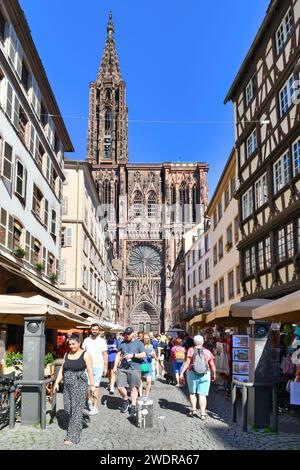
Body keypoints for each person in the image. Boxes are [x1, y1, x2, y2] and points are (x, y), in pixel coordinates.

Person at [54, 334, 96, 445]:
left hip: (79, 384)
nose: (71, 346)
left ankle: (72, 437)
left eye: (74, 344)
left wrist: (92, 386)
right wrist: (57, 382)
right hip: (67, 386)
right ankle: (78, 422)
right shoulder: (67, 354)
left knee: (76, 411)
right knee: (69, 409)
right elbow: (62, 370)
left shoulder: (85, 355)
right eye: (70, 344)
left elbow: (90, 371)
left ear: (79, 343)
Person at [180, 335, 216, 420]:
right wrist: (214, 374)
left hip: (192, 373)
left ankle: (193, 410)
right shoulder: (207, 351)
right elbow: (212, 365)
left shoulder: (191, 350)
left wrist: (182, 373)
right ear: (203, 342)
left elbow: (187, 363)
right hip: (205, 374)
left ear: (194, 342)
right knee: (202, 395)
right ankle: (203, 414)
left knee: (192, 393)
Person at [113, 327, 146, 418]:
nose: (127, 336)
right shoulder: (122, 343)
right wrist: (115, 366)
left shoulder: (139, 343)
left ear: (133, 333)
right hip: (123, 367)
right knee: (119, 386)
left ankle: (133, 405)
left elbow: (143, 354)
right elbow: (118, 355)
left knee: (133, 388)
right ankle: (126, 400)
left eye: (129, 334)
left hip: (134, 368)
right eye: (125, 334)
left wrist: (133, 355)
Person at [82, 324, 108, 415]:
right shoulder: (86, 340)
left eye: (96, 329)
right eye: (93, 329)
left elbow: (105, 355)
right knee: (87, 386)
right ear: (90, 330)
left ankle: (95, 407)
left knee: (96, 386)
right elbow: (82, 353)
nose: (95, 331)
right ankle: (89, 400)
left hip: (98, 366)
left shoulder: (102, 341)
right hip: (87, 366)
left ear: (99, 330)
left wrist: (106, 367)